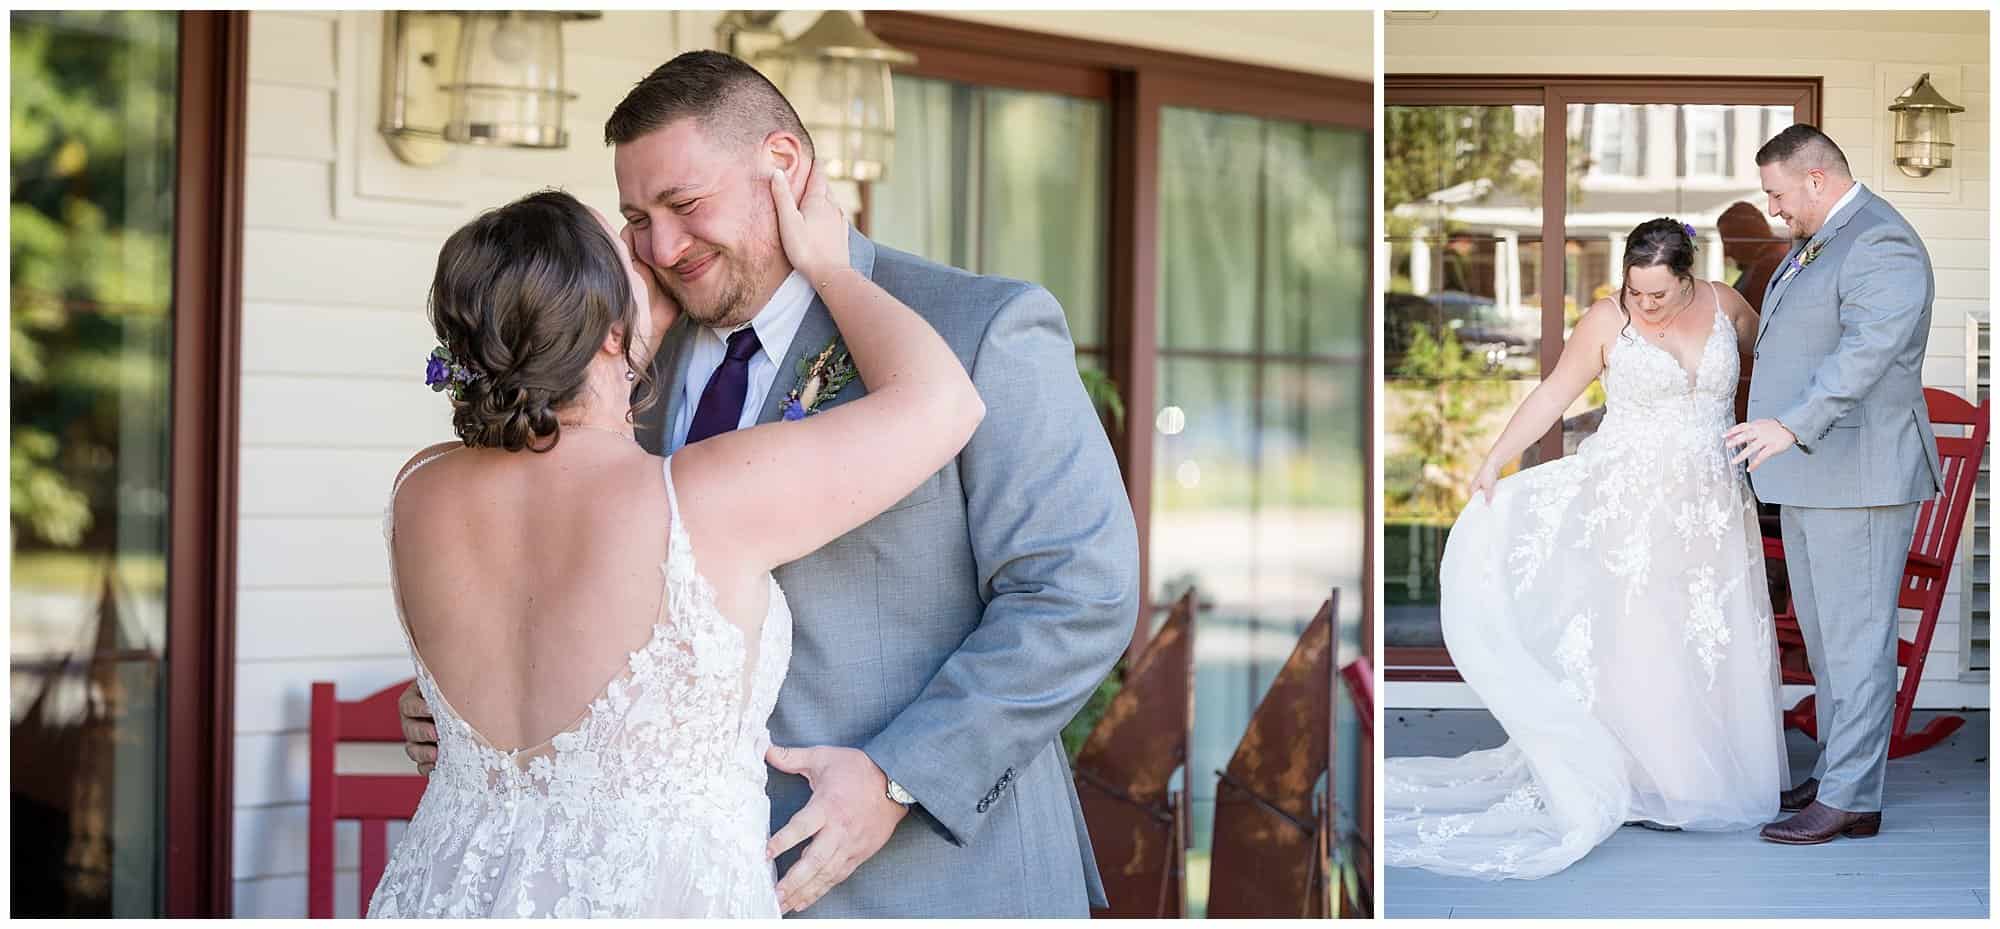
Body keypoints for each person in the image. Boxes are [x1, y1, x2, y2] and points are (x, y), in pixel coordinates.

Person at [395, 50, 1139, 916]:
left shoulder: (976, 329)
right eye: (636, 217)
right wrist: (478, 710)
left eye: (684, 204)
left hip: (922, 880)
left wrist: (901, 777)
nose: (660, 247)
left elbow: (1079, 591)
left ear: (782, 166)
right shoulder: (623, 350)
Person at [1383, 217, 1786, 880]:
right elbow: (1553, 393)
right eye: (1635, 292)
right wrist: (1495, 460)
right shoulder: (1607, 320)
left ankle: (1698, 783)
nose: (1645, 306)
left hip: (1713, 507)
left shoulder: (1728, 307)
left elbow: (1769, 373)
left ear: (1689, 277)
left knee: (1707, 637)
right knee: (1641, 637)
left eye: (1658, 294)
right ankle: (1636, 779)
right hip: (1626, 502)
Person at [1727, 124, 1941, 846]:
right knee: (1826, 641)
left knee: (1857, 640)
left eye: (1778, 194)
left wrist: (1790, 424)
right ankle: (1845, 777)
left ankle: (1851, 794)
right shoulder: (1816, 242)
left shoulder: (1881, 241)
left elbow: (1869, 351)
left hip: (1860, 469)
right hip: (1815, 473)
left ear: (1816, 180)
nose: (1774, 209)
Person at [1717, 200, 1788, 315]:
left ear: (1745, 237)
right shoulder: (1779, 252)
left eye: (1729, 243)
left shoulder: (1768, 264)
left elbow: (1756, 315)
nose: (1727, 253)